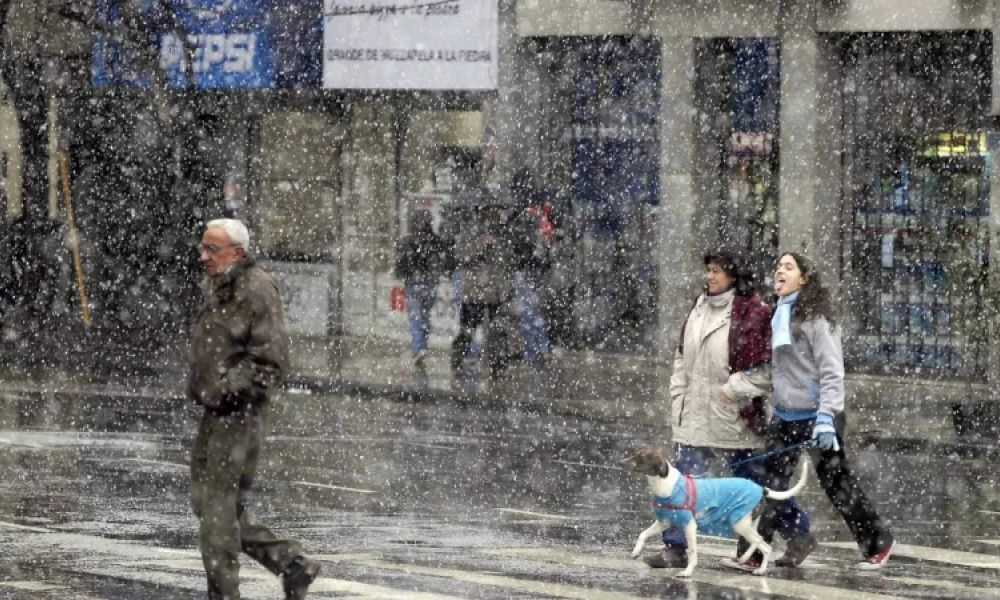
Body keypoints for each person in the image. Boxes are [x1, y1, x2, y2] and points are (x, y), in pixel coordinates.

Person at [644, 250, 812, 569]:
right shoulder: (698, 306)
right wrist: (678, 390)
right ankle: (676, 548)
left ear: (734, 275)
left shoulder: (753, 312)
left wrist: (731, 390)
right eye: (708, 270)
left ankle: (799, 533)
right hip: (694, 414)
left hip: (736, 417)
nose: (710, 277)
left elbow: (766, 369)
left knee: (751, 484)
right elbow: (682, 355)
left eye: (717, 271)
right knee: (681, 484)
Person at [188, 218, 320, 600]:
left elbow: (271, 358)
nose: (203, 256)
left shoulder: (256, 288)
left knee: (216, 512)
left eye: (212, 249)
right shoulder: (222, 287)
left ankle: (224, 595)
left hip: (238, 413)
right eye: (203, 247)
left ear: (237, 253)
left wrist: (232, 393)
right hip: (216, 410)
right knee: (210, 505)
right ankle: (292, 563)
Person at [748, 252, 895, 571]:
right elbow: (780, 370)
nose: (779, 271)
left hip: (819, 417)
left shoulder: (817, 319)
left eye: (788, 267)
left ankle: (877, 542)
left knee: (837, 484)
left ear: (804, 278)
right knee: (771, 484)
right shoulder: (780, 315)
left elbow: (831, 371)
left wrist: (827, 417)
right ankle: (756, 552)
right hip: (785, 415)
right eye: (778, 267)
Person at [450, 195, 518, 380]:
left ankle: (499, 366)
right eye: (490, 210)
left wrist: (507, 284)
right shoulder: (473, 230)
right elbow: (460, 254)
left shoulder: (504, 233)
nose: (494, 214)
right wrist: (479, 246)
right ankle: (457, 361)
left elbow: (510, 259)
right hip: (475, 291)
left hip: (497, 291)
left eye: (497, 210)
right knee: (468, 329)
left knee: (498, 330)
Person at [395, 209, 454, 367]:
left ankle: (418, 347)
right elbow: (443, 258)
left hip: (416, 283)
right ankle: (420, 346)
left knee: (416, 317)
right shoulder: (433, 240)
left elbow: (400, 264)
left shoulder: (408, 241)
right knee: (423, 316)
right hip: (428, 283)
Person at [510, 170, 554, 368]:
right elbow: (547, 247)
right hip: (535, 271)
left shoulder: (524, 218)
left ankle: (536, 351)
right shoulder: (540, 219)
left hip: (525, 270)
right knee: (533, 312)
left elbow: (522, 247)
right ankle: (540, 349)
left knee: (529, 313)